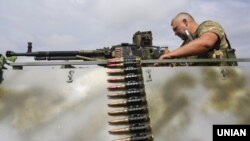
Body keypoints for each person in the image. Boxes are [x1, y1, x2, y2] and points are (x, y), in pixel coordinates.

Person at [156, 12, 237, 66]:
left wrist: (169, 55)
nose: (175, 33)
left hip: (224, 80)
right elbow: (177, 64)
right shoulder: (187, 44)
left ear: (185, 22)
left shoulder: (208, 25)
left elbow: (205, 43)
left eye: (176, 29)